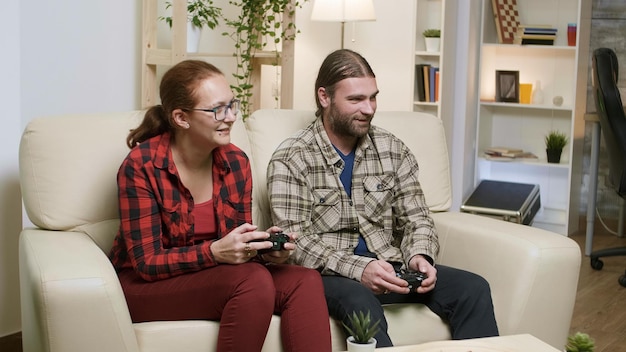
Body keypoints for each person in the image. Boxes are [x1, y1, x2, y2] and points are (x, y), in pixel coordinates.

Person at [267, 49, 499, 347]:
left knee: (473, 287)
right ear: (324, 97)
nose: (368, 108)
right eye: (355, 100)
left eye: (372, 97)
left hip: (391, 266)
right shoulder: (292, 157)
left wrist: (419, 255)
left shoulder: (392, 149)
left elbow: (417, 218)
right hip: (329, 275)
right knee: (359, 298)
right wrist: (359, 269)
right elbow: (296, 242)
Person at [108, 60, 331, 352]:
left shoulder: (236, 162)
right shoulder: (142, 166)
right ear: (181, 117)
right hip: (145, 286)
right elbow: (147, 263)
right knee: (251, 281)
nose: (231, 117)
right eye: (218, 109)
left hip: (219, 276)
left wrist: (265, 251)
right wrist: (213, 252)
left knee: (305, 281)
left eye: (232, 105)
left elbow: (237, 247)